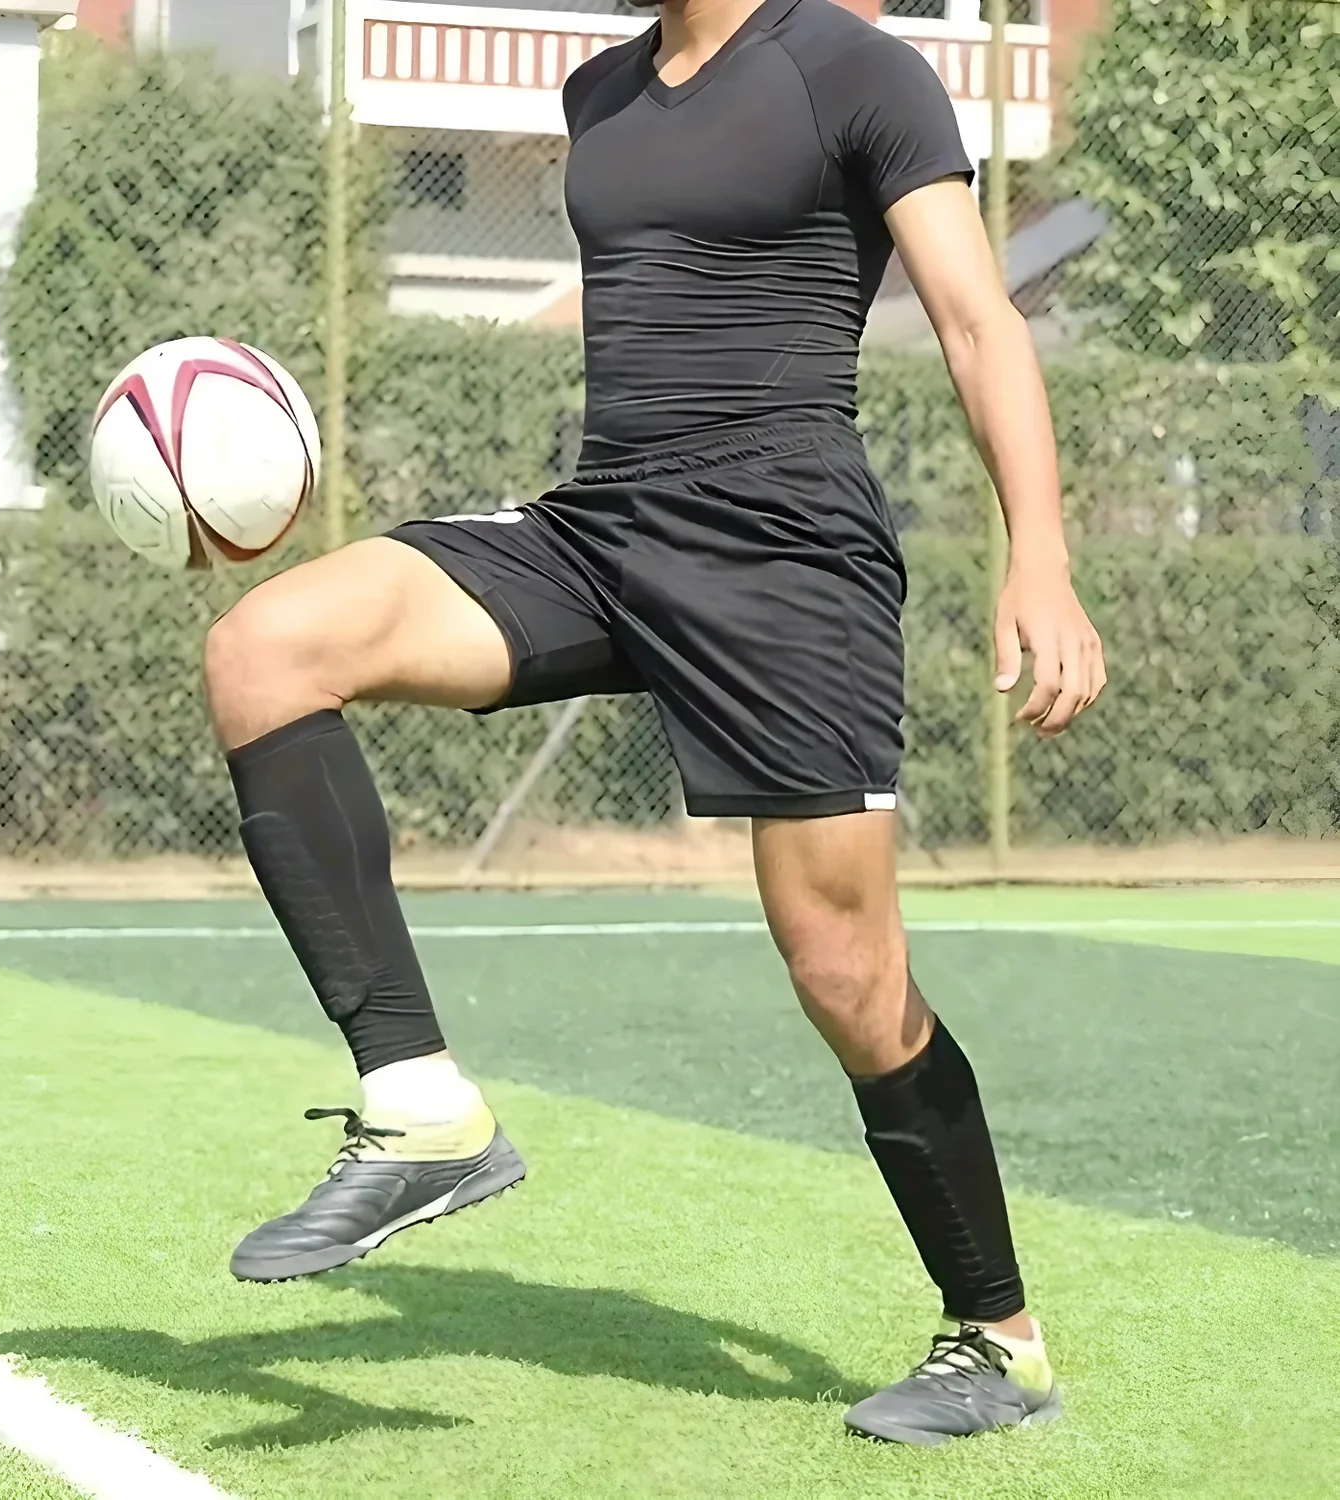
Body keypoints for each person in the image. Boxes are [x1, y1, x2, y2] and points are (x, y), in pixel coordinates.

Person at [202, 0, 1105, 1448]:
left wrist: (1040, 556)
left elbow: (976, 318)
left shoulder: (857, 72)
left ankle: (997, 1339)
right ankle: (422, 1104)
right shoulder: (598, 94)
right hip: (603, 528)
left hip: (783, 553)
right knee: (267, 649)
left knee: (848, 975)